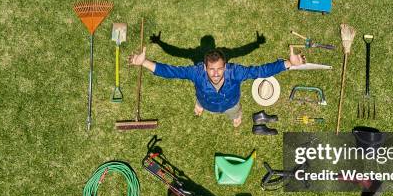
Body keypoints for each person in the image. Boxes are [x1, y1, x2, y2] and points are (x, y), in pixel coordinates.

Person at [129, 46, 305, 127]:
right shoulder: (196, 72)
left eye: (219, 69)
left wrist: (289, 62)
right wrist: (144, 62)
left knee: (235, 112)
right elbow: (172, 71)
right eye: (211, 69)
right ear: (205, 67)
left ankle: (236, 116)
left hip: (231, 104)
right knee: (201, 102)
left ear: (225, 66)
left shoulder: (235, 72)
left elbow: (260, 71)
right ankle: (199, 106)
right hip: (206, 101)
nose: (215, 73)